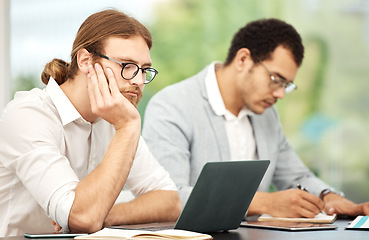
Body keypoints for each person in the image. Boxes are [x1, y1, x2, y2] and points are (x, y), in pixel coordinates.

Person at [142, 18, 369, 219]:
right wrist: (265, 202)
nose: (280, 94)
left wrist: (328, 197)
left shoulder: (266, 115)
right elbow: (167, 198)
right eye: (276, 79)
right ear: (243, 60)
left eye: (286, 85)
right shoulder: (172, 106)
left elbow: (296, 176)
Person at [0, 9, 182, 237]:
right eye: (127, 66)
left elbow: (169, 201)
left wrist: (105, 213)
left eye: (144, 70)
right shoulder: (28, 115)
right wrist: (127, 128)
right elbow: (83, 219)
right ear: (86, 61)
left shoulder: (115, 118)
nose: (137, 80)